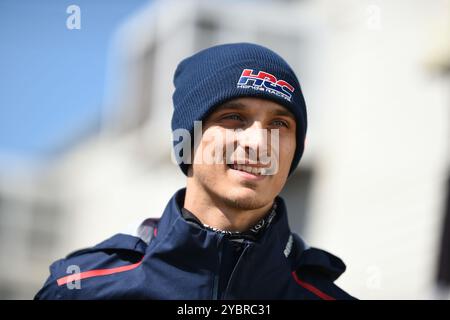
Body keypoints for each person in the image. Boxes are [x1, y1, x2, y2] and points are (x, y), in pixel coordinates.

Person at [35, 43, 355, 300]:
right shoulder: (82, 288)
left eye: (279, 124)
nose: (259, 142)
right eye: (233, 117)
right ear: (185, 139)